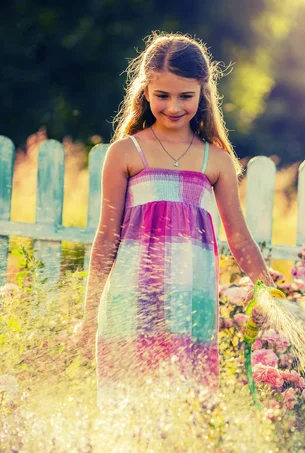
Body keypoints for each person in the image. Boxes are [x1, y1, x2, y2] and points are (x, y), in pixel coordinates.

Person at [78, 32, 275, 408]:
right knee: (129, 411)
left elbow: (239, 234)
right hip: (131, 300)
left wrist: (267, 289)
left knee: (188, 410)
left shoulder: (214, 160)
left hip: (191, 303)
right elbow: (106, 237)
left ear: (203, 93)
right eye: (162, 95)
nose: (173, 106)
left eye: (185, 96)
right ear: (145, 91)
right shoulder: (126, 152)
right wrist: (90, 316)